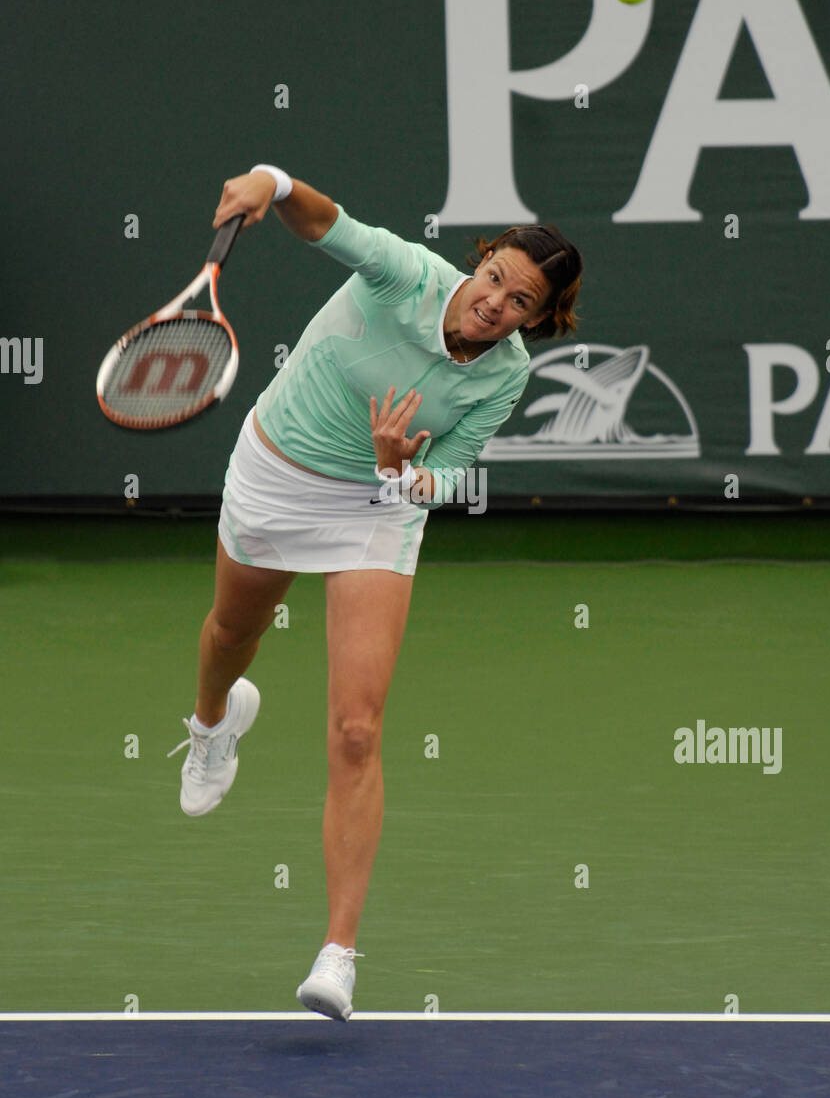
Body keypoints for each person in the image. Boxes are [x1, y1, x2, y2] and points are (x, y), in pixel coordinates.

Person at [169, 164, 583, 1020]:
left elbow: (449, 475)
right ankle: (213, 722)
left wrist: (403, 473)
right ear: (480, 261)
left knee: (358, 727)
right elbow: (329, 222)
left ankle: (338, 953)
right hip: (277, 473)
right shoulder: (405, 273)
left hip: (374, 506)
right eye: (495, 276)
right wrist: (273, 185)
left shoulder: (503, 375)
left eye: (519, 303)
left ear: (539, 321)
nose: (494, 303)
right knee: (229, 636)